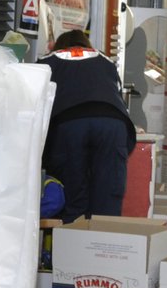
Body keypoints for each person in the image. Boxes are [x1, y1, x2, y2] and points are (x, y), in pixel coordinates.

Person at [39, 29, 136, 222]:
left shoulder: (47, 61)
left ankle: (72, 246)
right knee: (108, 198)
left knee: (73, 195)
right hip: (112, 124)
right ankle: (104, 247)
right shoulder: (105, 60)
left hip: (69, 124)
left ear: (60, 45)